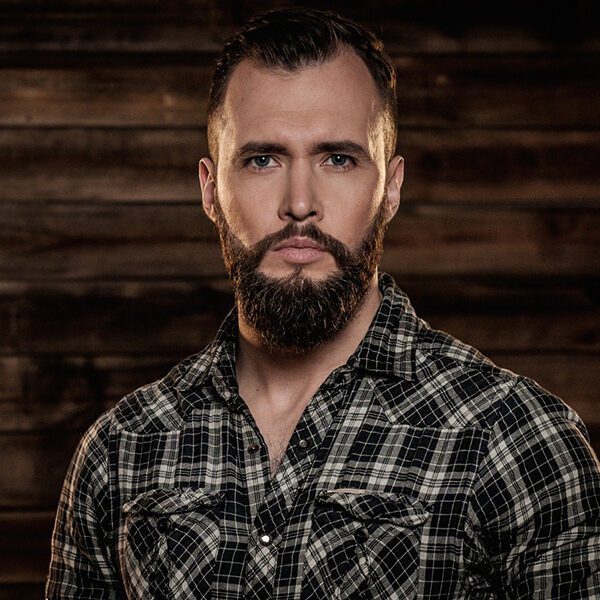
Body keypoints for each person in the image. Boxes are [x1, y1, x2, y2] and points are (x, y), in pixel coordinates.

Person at [46, 8, 600, 599]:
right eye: (262, 159)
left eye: (338, 158)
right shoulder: (123, 447)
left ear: (391, 188)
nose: (299, 203)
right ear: (210, 189)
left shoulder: (518, 438)